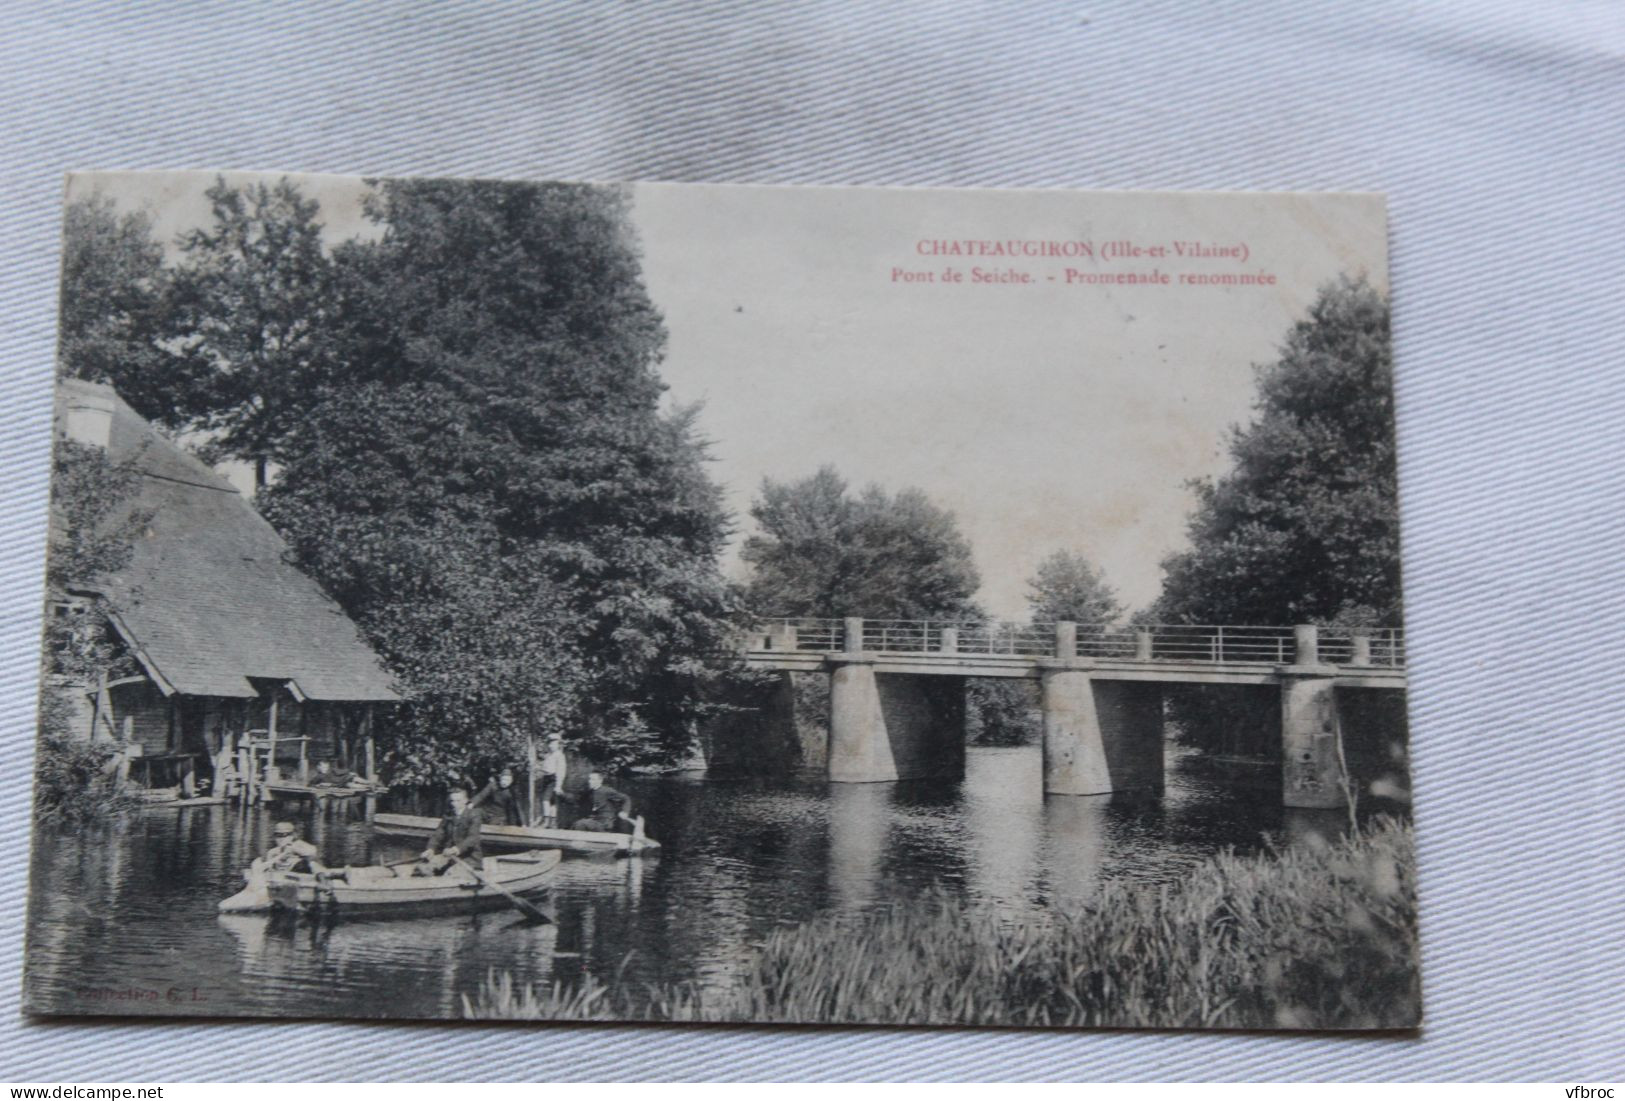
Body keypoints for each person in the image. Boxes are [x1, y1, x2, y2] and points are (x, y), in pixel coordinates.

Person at [417, 788, 483, 875]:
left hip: (470, 858)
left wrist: (455, 849)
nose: (454, 804)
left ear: (466, 800)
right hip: (450, 856)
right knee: (424, 868)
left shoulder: (474, 815)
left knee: (450, 874)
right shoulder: (448, 815)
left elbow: (473, 838)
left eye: (458, 801)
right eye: (452, 801)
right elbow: (439, 833)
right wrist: (430, 849)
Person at [571, 770, 636, 834]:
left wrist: (625, 811)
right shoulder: (589, 792)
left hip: (605, 824)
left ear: (600, 781)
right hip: (594, 822)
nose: (590, 781)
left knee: (581, 824)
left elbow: (626, 798)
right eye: (589, 779)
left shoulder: (606, 791)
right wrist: (561, 794)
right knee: (576, 825)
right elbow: (576, 800)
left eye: (593, 779)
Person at [536, 736, 568, 827]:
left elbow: (561, 770)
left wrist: (558, 785)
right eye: (550, 743)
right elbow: (545, 768)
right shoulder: (549, 755)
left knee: (545, 800)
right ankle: (552, 822)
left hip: (553, 779)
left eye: (554, 743)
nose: (551, 746)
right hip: (547, 778)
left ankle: (547, 821)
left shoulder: (559, 755)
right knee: (552, 801)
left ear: (558, 745)